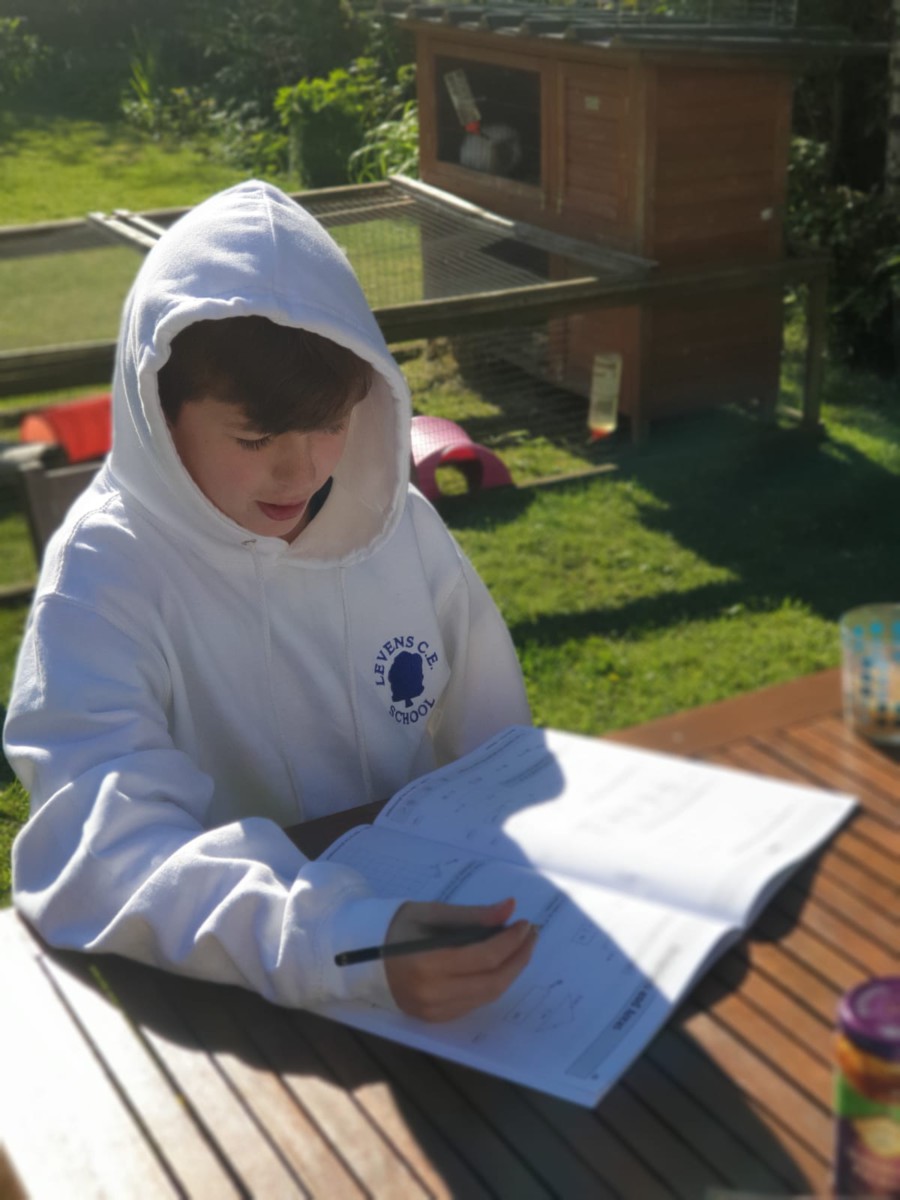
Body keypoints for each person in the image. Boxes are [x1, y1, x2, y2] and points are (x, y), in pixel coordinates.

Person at [3, 180, 536, 1022]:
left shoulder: (402, 529)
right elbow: (104, 852)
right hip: (228, 996)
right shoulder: (105, 576)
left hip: (430, 950)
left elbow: (497, 749)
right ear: (156, 408)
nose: (302, 472)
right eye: (254, 440)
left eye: (330, 424)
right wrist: (340, 941)